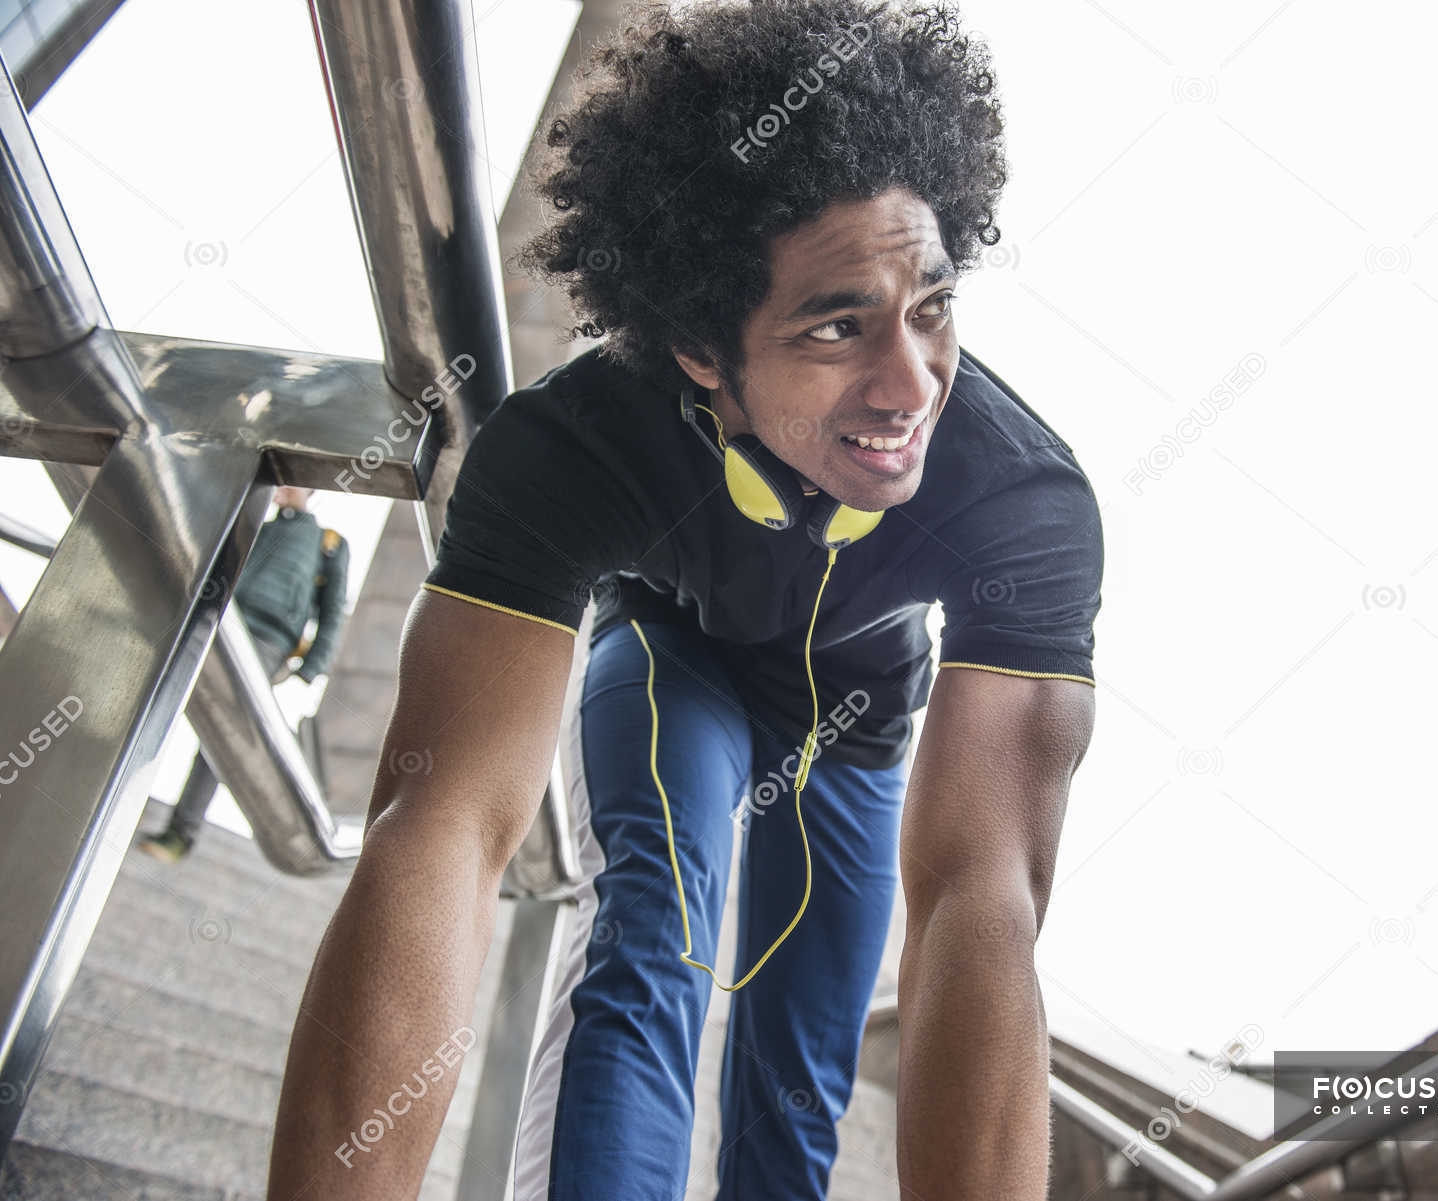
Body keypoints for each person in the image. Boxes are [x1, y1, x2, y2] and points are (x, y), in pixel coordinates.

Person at [266, 2, 1102, 1199]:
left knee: (804, 1057)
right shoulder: (575, 446)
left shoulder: (1021, 496)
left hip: (857, 725)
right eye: (836, 326)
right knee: (654, 940)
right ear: (703, 348)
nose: (911, 382)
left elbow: (984, 894)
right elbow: (443, 826)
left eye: (930, 307)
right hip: (676, 660)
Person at [138, 485, 349, 862]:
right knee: (159, 703)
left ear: (311, 489)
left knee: (222, 735)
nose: (284, 486)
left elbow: (332, 613)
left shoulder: (328, 543)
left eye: (293, 482)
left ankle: (181, 833)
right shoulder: (258, 527)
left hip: (267, 643)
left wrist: (310, 667)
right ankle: (123, 792)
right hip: (217, 622)